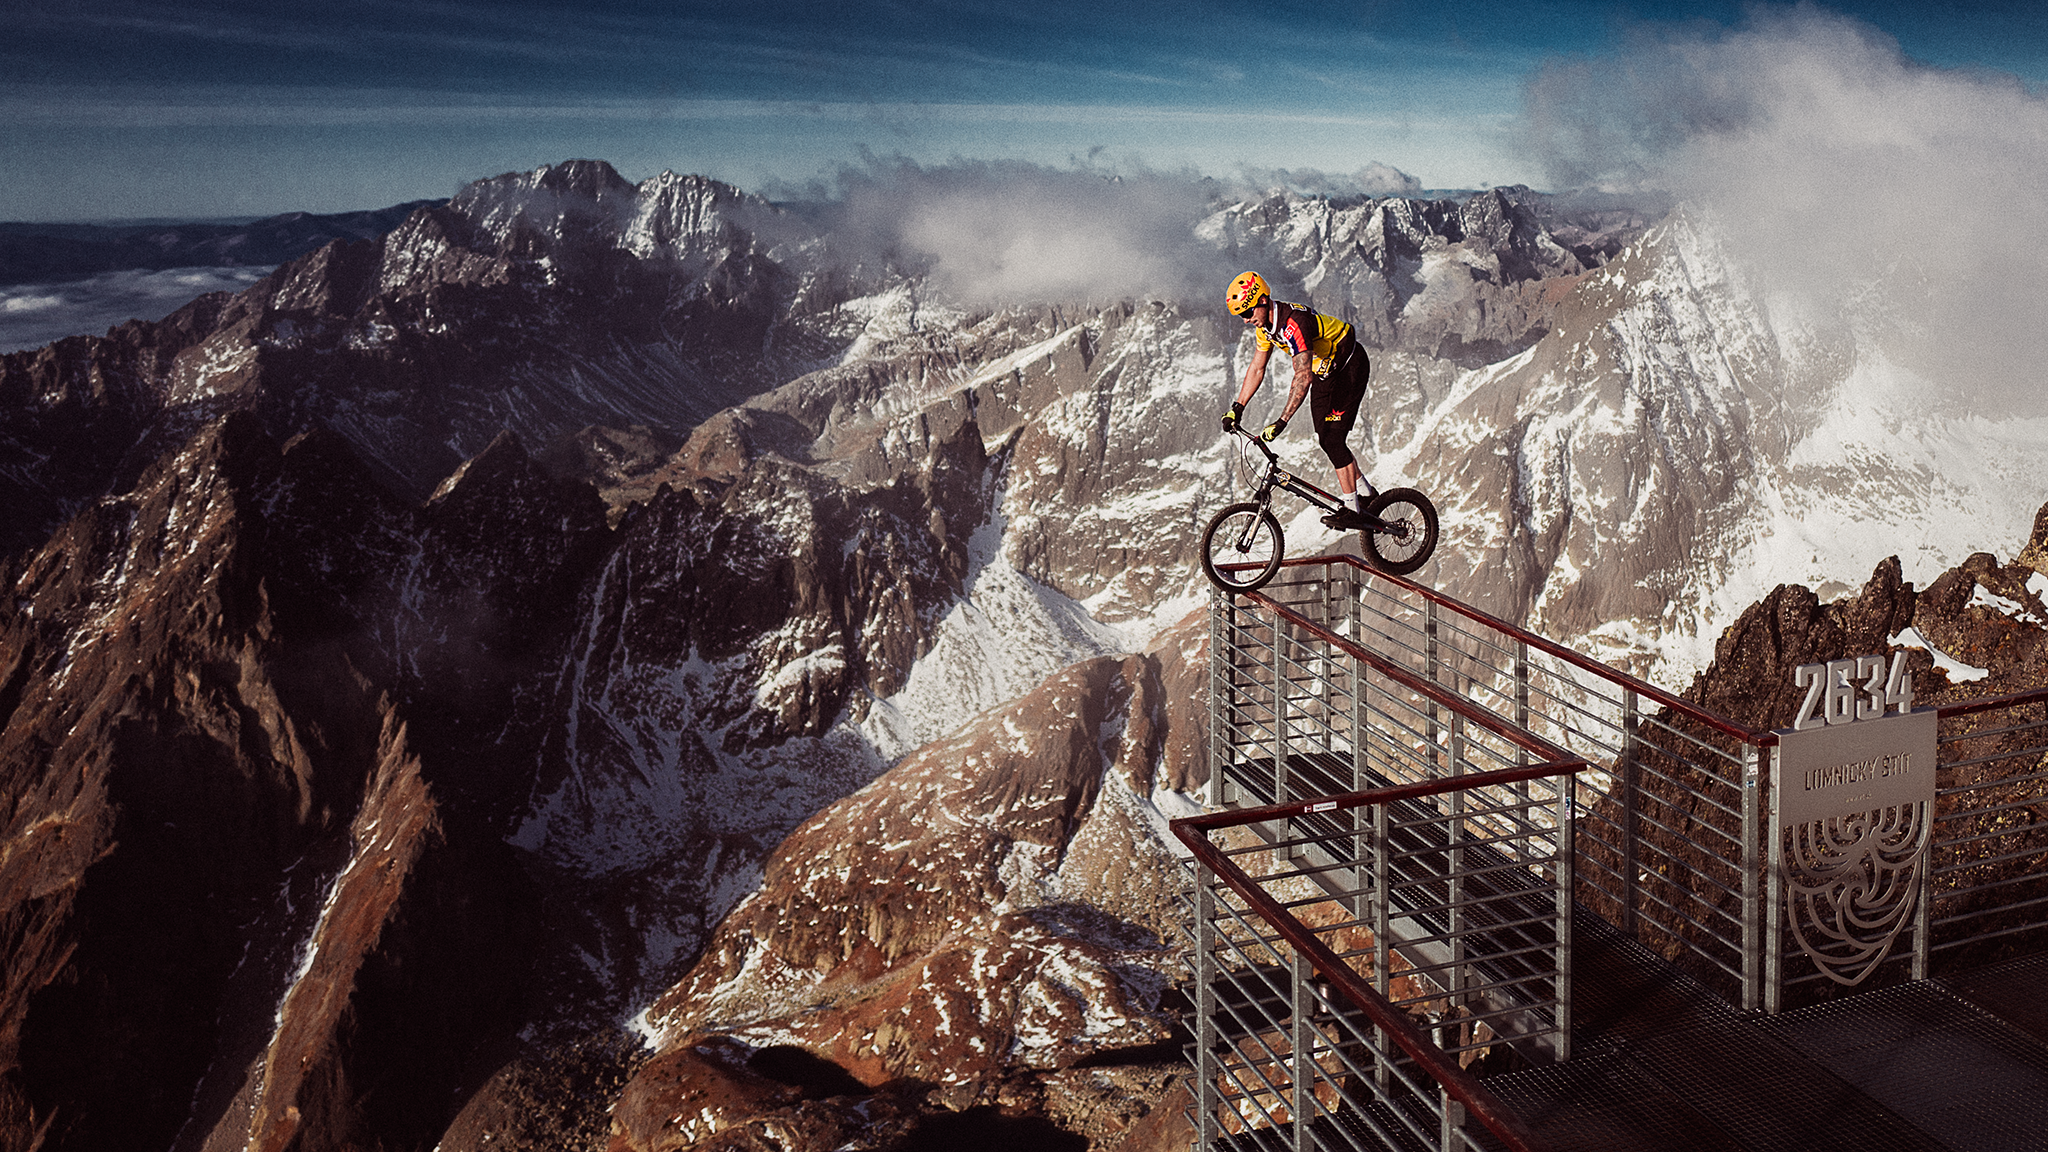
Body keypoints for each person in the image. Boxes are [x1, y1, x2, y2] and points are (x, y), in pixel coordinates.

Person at [1219, 271, 1375, 530]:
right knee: (1325, 435)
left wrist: (1282, 421)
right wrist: (1237, 408)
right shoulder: (1265, 328)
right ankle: (1367, 495)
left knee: (1333, 439)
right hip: (1324, 370)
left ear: (1263, 301)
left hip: (1349, 364)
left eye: (1247, 313)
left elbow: (1302, 375)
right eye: (1240, 316)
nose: (1246, 320)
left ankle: (1352, 509)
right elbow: (1257, 368)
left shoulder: (1295, 323)